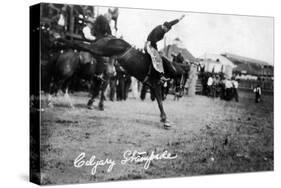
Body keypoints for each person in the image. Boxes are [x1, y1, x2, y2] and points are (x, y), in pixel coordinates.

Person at [144, 15, 186, 84]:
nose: (167, 31)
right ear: (164, 26)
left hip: (151, 44)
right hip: (149, 45)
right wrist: (157, 51)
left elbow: (171, 23)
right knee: (158, 59)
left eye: (168, 30)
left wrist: (179, 19)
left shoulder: (164, 26)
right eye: (167, 30)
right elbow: (153, 41)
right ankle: (160, 76)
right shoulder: (159, 31)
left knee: (159, 57)